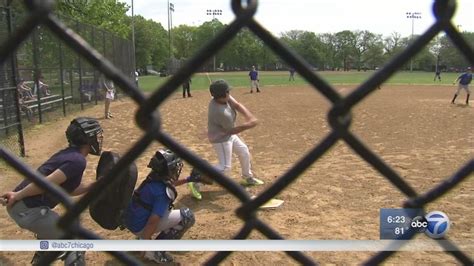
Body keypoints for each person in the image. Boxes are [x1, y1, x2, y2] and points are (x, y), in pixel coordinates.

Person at [1, 117, 103, 265]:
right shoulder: (77, 161)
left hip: (26, 205)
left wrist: (91, 187)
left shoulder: (70, 155)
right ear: (87, 138)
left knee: (58, 231)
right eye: (95, 135)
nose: (97, 139)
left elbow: (66, 189)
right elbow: (44, 184)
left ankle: (44, 253)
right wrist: (17, 195)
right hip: (29, 208)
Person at [188, 80, 264, 200]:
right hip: (221, 139)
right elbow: (232, 130)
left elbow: (237, 105)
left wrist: (249, 116)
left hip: (227, 134)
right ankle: (196, 179)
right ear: (223, 94)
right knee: (225, 167)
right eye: (228, 91)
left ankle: (247, 177)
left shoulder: (222, 98)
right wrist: (249, 124)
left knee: (243, 151)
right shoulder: (221, 112)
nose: (229, 93)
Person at [124, 149, 196, 264]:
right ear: (169, 169)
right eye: (175, 167)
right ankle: (155, 252)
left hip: (132, 220)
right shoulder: (162, 192)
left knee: (157, 209)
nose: (177, 169)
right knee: (187, 216)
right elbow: (153, 220)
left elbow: (170, 183)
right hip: (141, 227)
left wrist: (188, 179)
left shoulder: (153, 178)